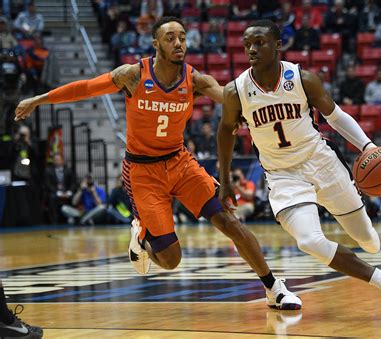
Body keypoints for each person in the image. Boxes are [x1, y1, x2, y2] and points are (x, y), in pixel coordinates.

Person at [14, 16, 301, 311]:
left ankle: (273, 288)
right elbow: (85, 88)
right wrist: (38, 99)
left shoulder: (195, 79)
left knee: (230, 222)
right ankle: (141, 234)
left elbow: (228, 98)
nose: (178, 43)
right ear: (155, 44)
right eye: (170, 38)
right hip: (142, 170)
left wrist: (253, 111)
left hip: (179, 162)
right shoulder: (132, 75)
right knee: (170, 260)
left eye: (182, 37)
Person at [218, 20, 381, 321]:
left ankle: (370, 245)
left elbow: (336, 118)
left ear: (277, 45)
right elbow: (225, 132)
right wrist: (224, 180)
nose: (251, 49)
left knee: (368, 241)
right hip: (282, 174)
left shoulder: (302, 79)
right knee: (309, 241)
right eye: (247, 43)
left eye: (259, 42)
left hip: (321, 161)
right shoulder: (237, 91)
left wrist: (366, 147)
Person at [44, 153, 74, 224]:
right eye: (55, 160)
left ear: (62, 161)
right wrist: (58, 193)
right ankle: (54, 221)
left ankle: (72, 218)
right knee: (52, 197)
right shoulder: (48, 171)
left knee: (75, 197)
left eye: (59, 160)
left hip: (67, 192)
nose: (57, 161)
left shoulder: (68, 170)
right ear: (53, 161)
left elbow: (73, 183)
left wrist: (69, 192)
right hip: (55, 192)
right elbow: (48, 184)